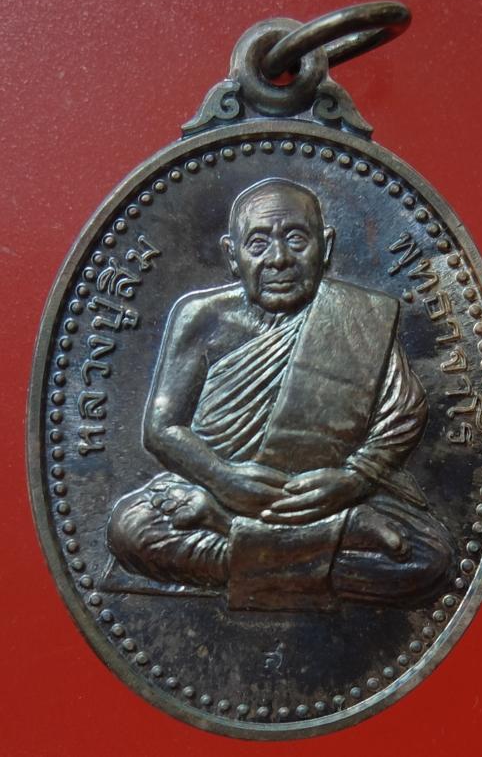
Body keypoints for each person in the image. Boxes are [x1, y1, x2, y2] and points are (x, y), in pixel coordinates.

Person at [107, 178, 453, 611]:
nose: (278, 259)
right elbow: (162, 428)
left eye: (296, 240)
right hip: (218, 491)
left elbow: (403, 415)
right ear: (232, 255)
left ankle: (240, 538)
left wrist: (354, 480)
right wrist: (222, 478)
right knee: (130, 529)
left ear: (325, 247)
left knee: (432, 558)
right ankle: (327, 539)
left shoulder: (361, 319)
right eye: (258, 244)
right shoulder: (202, 317)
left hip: (324, 498)